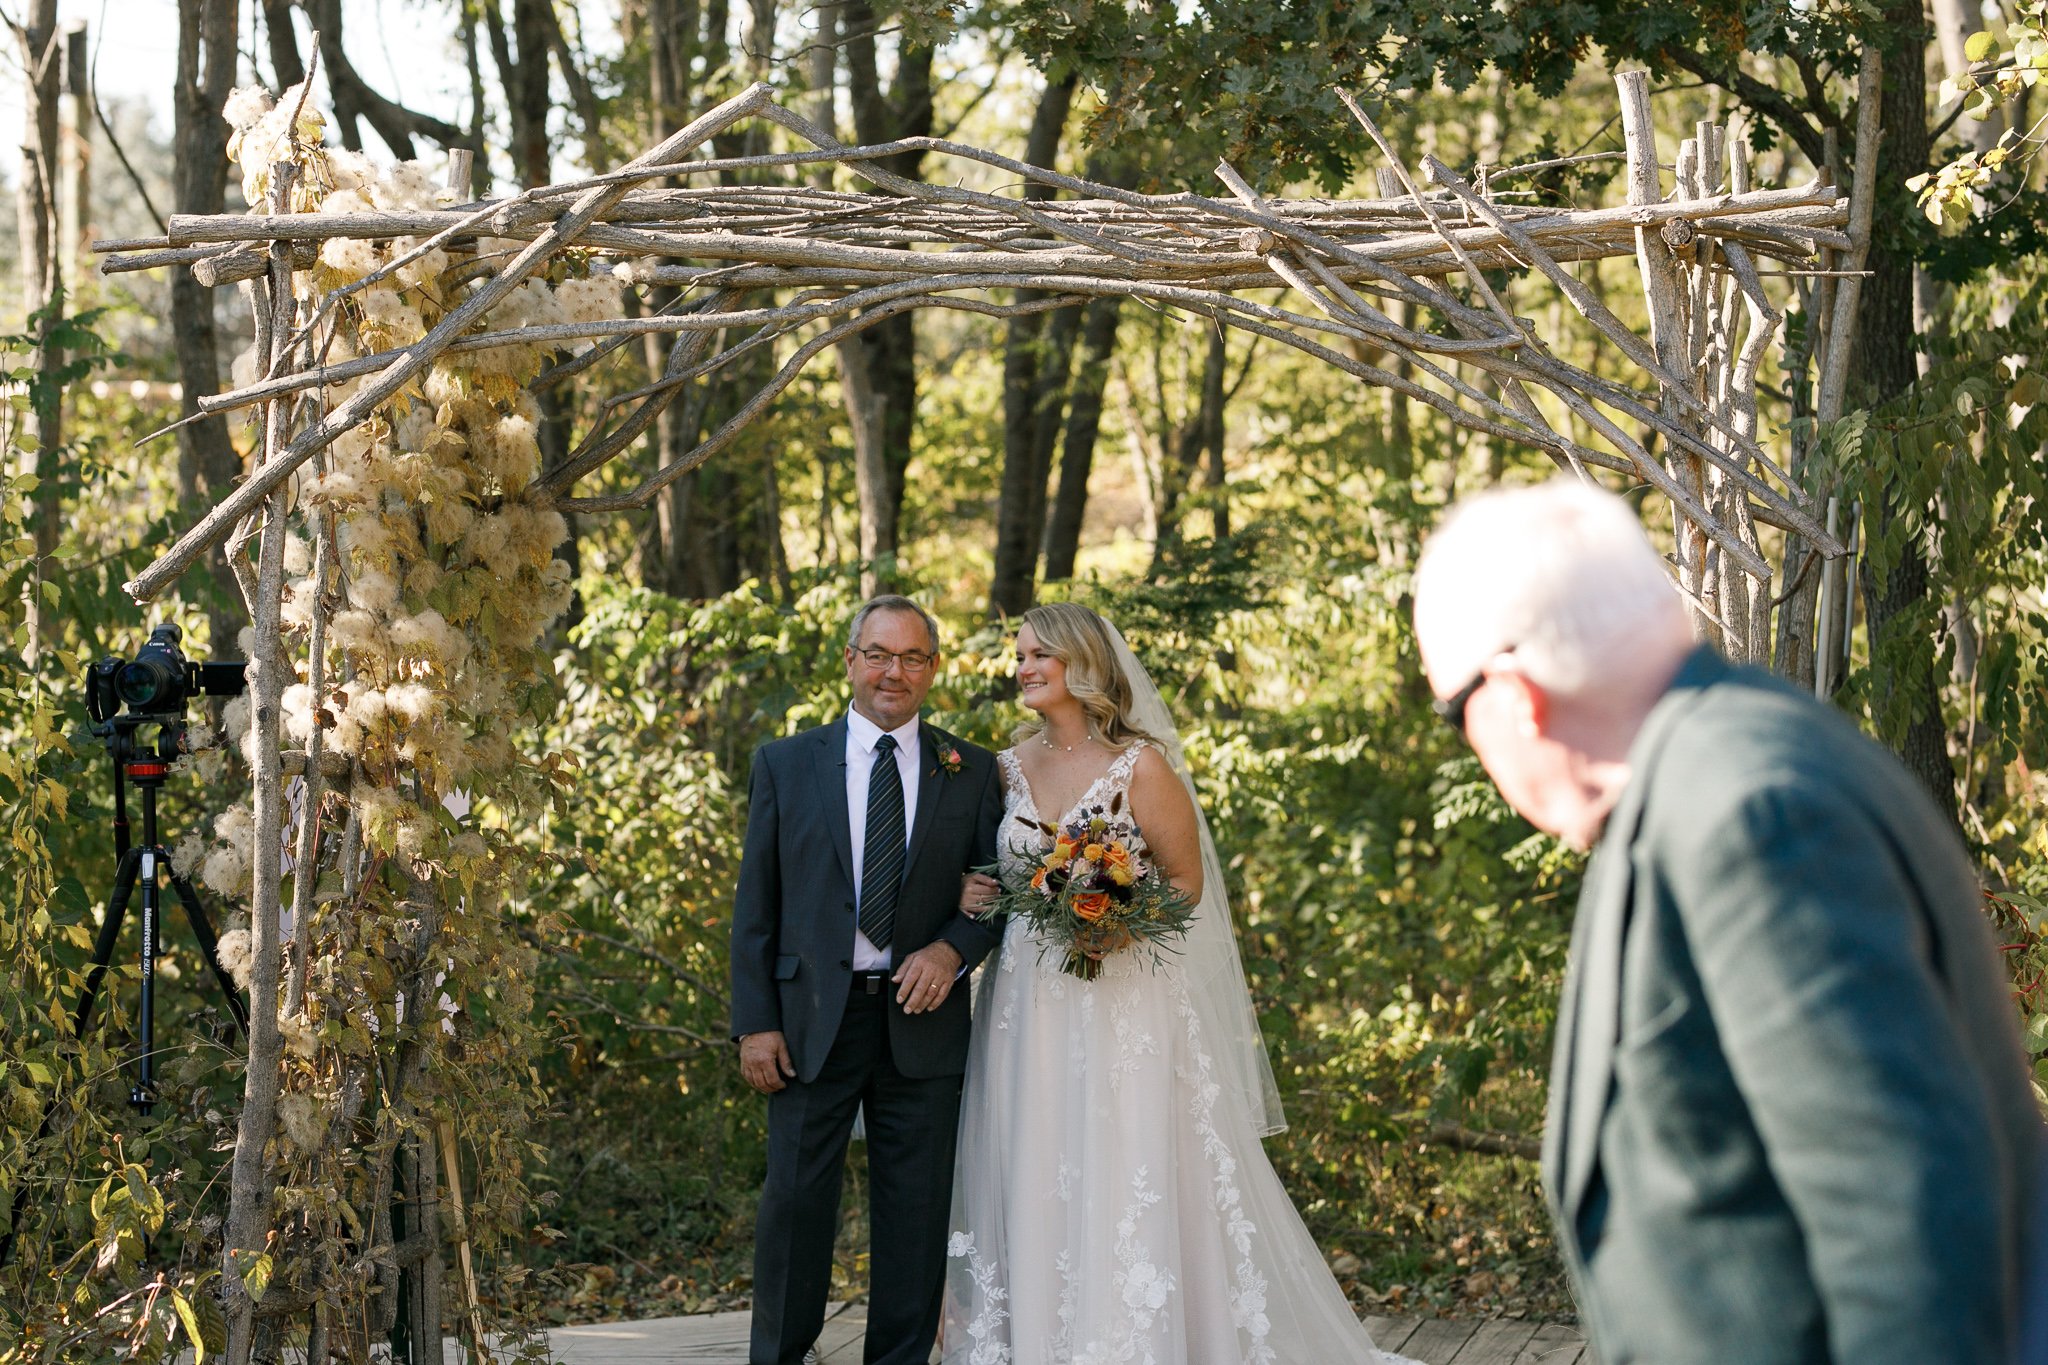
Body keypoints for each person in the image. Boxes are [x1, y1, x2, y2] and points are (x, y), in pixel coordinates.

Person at [1410, 479, 2043, 1365]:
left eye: (1452, 712)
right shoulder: (1723, 762)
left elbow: (1904, 1223)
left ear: (1515, 696)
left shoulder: (1749, 814)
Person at [944, 601, 1421, 1365]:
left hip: (1124, 994)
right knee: (1036, 1154)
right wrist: (977, 892)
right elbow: (987, 876)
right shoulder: (1004, 767)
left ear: (1083, 665)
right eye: (1021, 655)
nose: (1023, 668)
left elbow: (1185, 883)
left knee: (1126, 1153)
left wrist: (1110, 926)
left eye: (1039, 655)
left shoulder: (1141, 765)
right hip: (1027, 999)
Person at [730, 595, 1005, 1365]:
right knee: (794, 1210)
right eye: (880, 653)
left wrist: (951, 950)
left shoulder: (972, 770)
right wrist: (755, 1023)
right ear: (850, 661)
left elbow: (997, 894)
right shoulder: (785, 763)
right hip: (810, 1023)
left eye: (913, 657)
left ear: (933, 670)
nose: (895, 671)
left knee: (915, 1219)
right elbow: (757, 904)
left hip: (924, 1025)